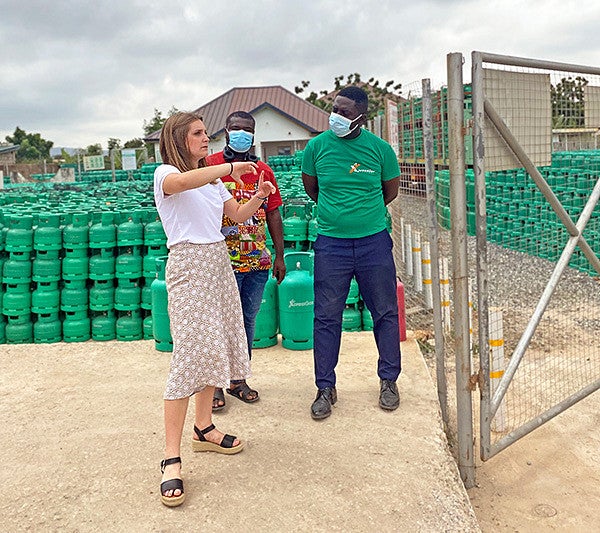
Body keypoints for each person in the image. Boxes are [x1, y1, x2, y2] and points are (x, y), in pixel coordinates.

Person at [154, 112, 276, 507]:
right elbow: (183, 182)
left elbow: (236, 217)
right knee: (189, 357)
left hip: (218, 264)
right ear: (178, 138)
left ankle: (203, 428)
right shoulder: (167, 174)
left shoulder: (213, 181)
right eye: (199, 133)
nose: (207, 138)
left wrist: (257, 195)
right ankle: (171, 459)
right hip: (189, 266)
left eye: (207, 133)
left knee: (217, 348)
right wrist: (228, 167)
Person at [301, 86, 402, 420]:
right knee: (326, 317)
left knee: (385, 312)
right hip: (332, 244)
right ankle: (325, 387)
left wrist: (362, 217)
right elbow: (312, 189)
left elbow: (389, 191)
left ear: (361, 115)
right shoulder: (316, 148)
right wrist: (340, 218)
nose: (336, 116)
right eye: (335, 108)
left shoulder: (380, 150)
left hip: (374, 242)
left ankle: (389, 381)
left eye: (344, 111)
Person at [206, 111, 286, 411]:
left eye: (247, 129)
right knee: (220, 322)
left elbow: (274, 212)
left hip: (256, 261)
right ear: (226, 132)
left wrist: (279, 254)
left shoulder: (263, 170)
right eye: (235, 128)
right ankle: (213, 385)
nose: (241, 133)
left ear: (254, 134)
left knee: (246, 320)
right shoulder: (211, 166)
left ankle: (238, 379)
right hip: (221, 261)